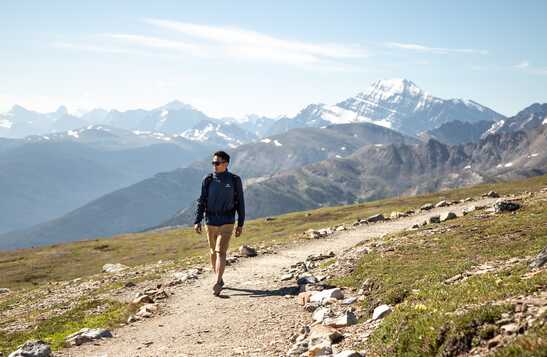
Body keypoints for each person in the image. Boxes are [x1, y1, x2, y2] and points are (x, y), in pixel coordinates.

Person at [194, 151, 245, 296]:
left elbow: (240, 202)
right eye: (213, 163)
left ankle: (217, 281)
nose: (214, 166)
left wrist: (240, 223)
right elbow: (202, 200)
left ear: (226, 164)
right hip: (210, 221)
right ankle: (220, 279)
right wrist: (197, 220)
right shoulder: (208, 179)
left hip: (227, 222)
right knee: (212, 252)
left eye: (217, 163)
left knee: (220, 251)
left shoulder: (234, 180)